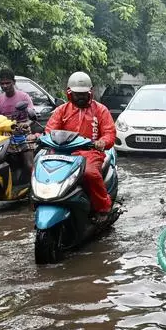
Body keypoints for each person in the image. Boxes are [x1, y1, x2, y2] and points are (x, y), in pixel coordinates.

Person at [45, 71, 116, 222]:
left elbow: (109, 133)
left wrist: (102, 142)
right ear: (70, 93)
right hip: (63, 153)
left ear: (90, 92)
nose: (81, 96)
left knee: (90, 174)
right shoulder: (61, 110)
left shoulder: (101, 110)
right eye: (77, 94)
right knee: (40, 169)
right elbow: (50, 131)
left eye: (84, 93)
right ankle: (39, 203)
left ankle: (103, 208)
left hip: (90, 153)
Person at [0, 68, 36, 175]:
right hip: (5, 136)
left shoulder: (24, 96)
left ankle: (34, 186)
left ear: (14, 82)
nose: (5, 86)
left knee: (29, 165)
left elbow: (32, 116)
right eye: (2, 83)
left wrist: (26, 124)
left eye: (8, 83)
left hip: (23, 134)